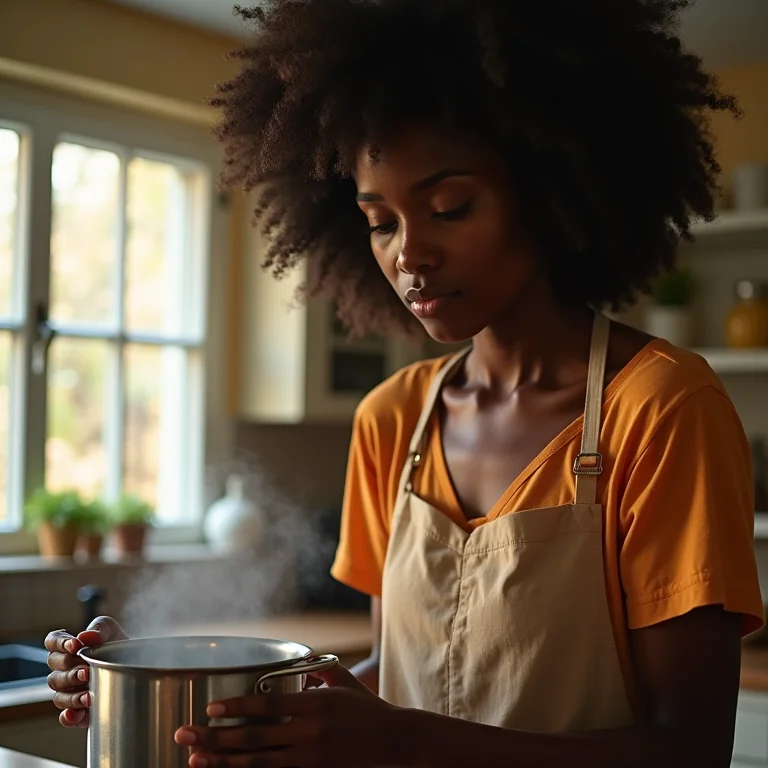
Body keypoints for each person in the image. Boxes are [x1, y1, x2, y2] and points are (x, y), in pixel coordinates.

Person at [46, 0, 764, 765]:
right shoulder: (392, 417)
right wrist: (151, 677)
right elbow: (397, 671)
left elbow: (690, 751)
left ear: (551, 193)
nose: (409, 255)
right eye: (381, 221)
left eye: (450, 208)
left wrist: (403, 740)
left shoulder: (661, 408)